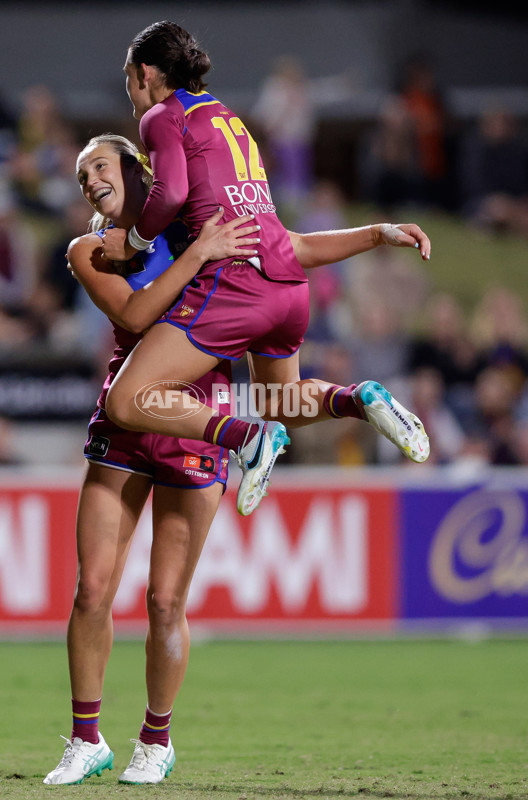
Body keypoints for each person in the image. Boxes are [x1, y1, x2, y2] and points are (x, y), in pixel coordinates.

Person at [44, 132, 433, 787]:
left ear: (138, 169)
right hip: (131, 420)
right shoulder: (91, 250)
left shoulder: (198, 219)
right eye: (83, 178)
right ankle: (86, 739)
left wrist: (376, 233)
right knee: (91, 590)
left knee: (166, 601)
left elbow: (293, 250)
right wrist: (199, 253)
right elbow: (138, 314)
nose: (90, 183)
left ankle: (155, 741)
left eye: (99, 167)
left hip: (198, 420)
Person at [99, 21, 431, 517]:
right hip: (289, 289)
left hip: (237, 287)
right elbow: (288, 241)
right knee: (283, 404)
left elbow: (170, 193)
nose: (130, 92)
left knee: (125, 401)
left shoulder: (162, 117)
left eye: (129, 78)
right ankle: (360, 398)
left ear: (145, 72)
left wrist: (137, 241)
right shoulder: (230, 121)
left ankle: (246, 439)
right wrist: (377, 232)